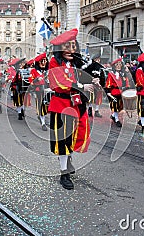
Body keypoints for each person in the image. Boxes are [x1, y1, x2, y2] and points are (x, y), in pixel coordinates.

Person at [48, 28, 97, 190]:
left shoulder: (77, 63)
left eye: (72, 46)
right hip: (61, 105)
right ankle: (64, 173)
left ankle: (67, 159)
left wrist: (94, 80)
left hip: (77, 105)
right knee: (63, 140)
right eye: (66, 46)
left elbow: (83, 77)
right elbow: (60, 83)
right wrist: (82, 85)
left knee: (76, 136)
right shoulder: (54, 62)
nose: (70, 50)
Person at [105, 58, 129, 128]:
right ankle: (116, 119)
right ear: (114, 66)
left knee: (120, 106)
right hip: (114, 92)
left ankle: (113, 116)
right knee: (115, 106)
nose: (119, 66)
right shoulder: (111, 74)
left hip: (122, 92)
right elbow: (108, 84)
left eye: (120, 64)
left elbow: (127, 82)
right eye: (117, 65)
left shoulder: (123, 74)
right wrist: (108, 92)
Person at [29, 52, 49, 131]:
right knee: (41, 106)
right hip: (38, 90)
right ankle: (43, 122)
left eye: (45, 61)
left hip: (47, 90)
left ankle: (43, 117)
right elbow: (31, 81)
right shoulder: (33, 71)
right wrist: (37, 79)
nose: (44, 63)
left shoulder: (47, 71)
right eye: (42, 61)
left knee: (47, 106)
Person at [85, 52, 105, 118]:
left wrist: (102, 83)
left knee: (98, 98)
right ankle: (90, 109)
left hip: (98, 85)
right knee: (91, 97)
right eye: (97, 59)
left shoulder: (100, 68)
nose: (98, 61)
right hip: (91, 84)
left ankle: (96, 111)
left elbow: (103, 77)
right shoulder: (89, 67)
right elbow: (85, 75)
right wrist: (91, 79)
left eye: (99, 59)